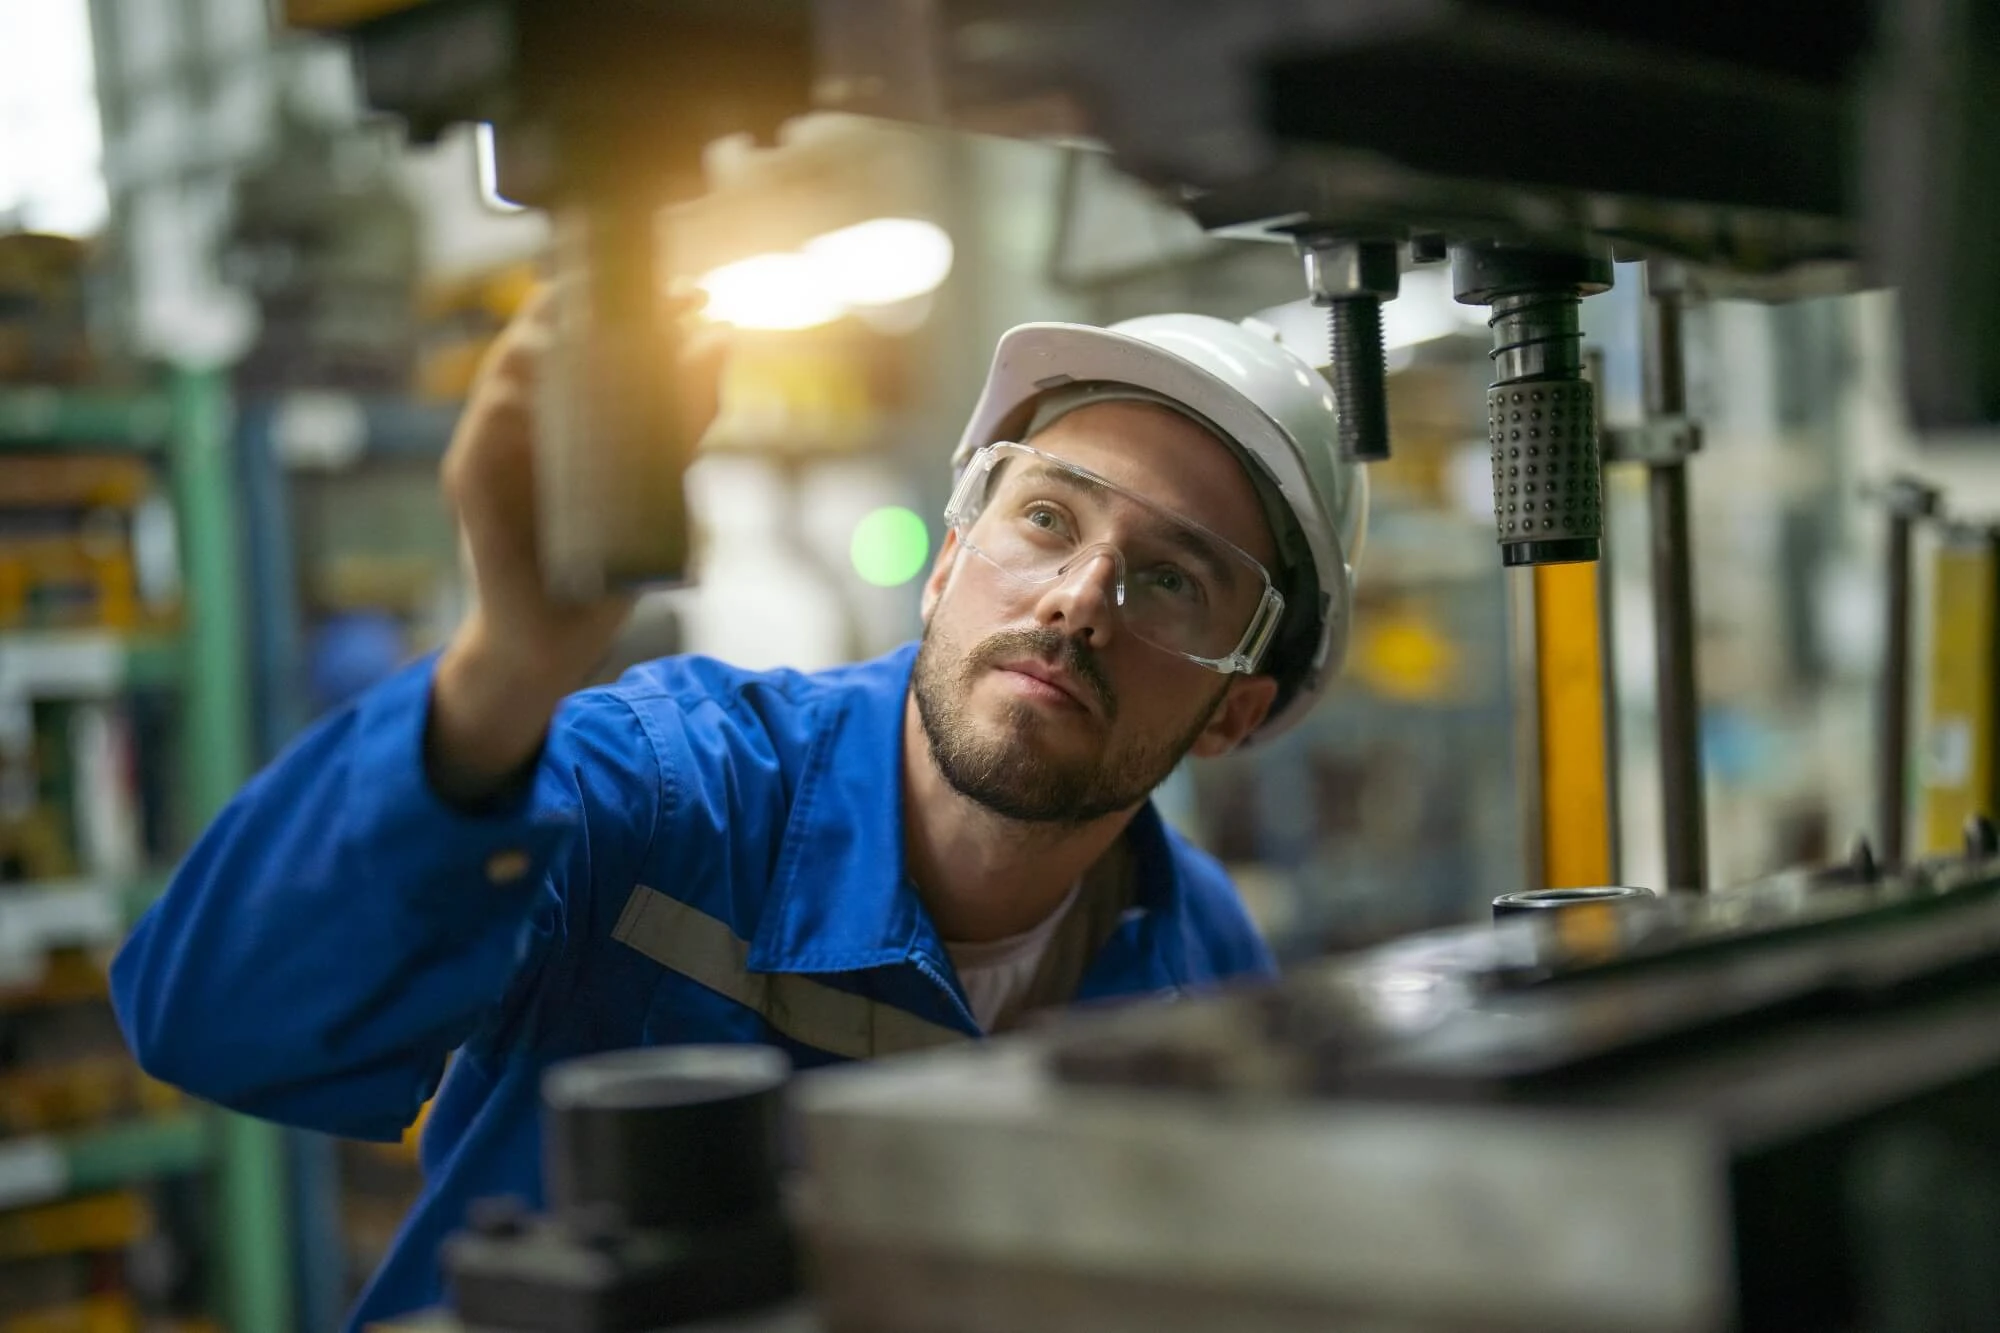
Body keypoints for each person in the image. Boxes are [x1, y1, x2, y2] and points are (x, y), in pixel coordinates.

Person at [109, 300, 1365, 1329]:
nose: (1079, 598)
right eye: (1045, 517)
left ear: (1231, 716)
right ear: (944, 565)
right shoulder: (664, 792)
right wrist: (500, 671)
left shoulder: (1197, 964)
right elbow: (214, 1021)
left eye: (1168, 579)